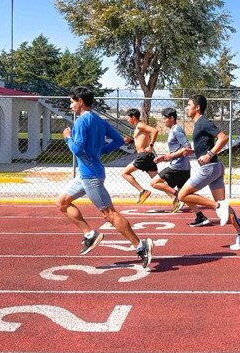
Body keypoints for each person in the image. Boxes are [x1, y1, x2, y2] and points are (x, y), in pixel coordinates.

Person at [58, 87, 153, 268]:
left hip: (91, 176)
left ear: (80, 101)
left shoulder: (80, 122)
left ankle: (141, 247)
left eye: (72, 101)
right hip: (86, 174)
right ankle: (90, 234)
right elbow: (118, 141)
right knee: (61, 203)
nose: (70, 105)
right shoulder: (98, 120)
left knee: (110, 214)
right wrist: (98, 152)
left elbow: (76, 149)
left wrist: (67, 137)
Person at [177, 94, 240, 250]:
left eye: (188, 104)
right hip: (215, 168)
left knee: (182, 195)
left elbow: (223, 138)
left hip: (209, 168)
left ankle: (216, 206)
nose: (186, 107)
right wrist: (195, 151)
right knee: (225, 206)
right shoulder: (198, 124)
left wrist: (209, 154)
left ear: (197, 107)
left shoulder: (203, 122)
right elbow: (205, 144)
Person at [120, 108, 176, 206]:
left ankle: (142, 191)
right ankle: (174, 198)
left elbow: (154, 131)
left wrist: (151, 145)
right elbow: (141, 141)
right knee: (156, 181)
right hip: (148, 157)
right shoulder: (138, 127)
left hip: (144, 156)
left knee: (125, 173)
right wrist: (131, 141)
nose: (127, 120)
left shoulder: (140, 125)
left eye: (128, 118)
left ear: (133, 117)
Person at [151, 107, 191, 214]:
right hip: (182, 167)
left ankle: (176, 196)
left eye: (165, 118)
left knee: (154, 182)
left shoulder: (177, 129)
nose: (163, 121)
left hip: (178, 167)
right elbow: (176, 151)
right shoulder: (174, 130)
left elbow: (187, 147)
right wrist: (163, 158)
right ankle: (203, 213)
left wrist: (170, 156)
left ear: (172, 118)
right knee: (187, 196)